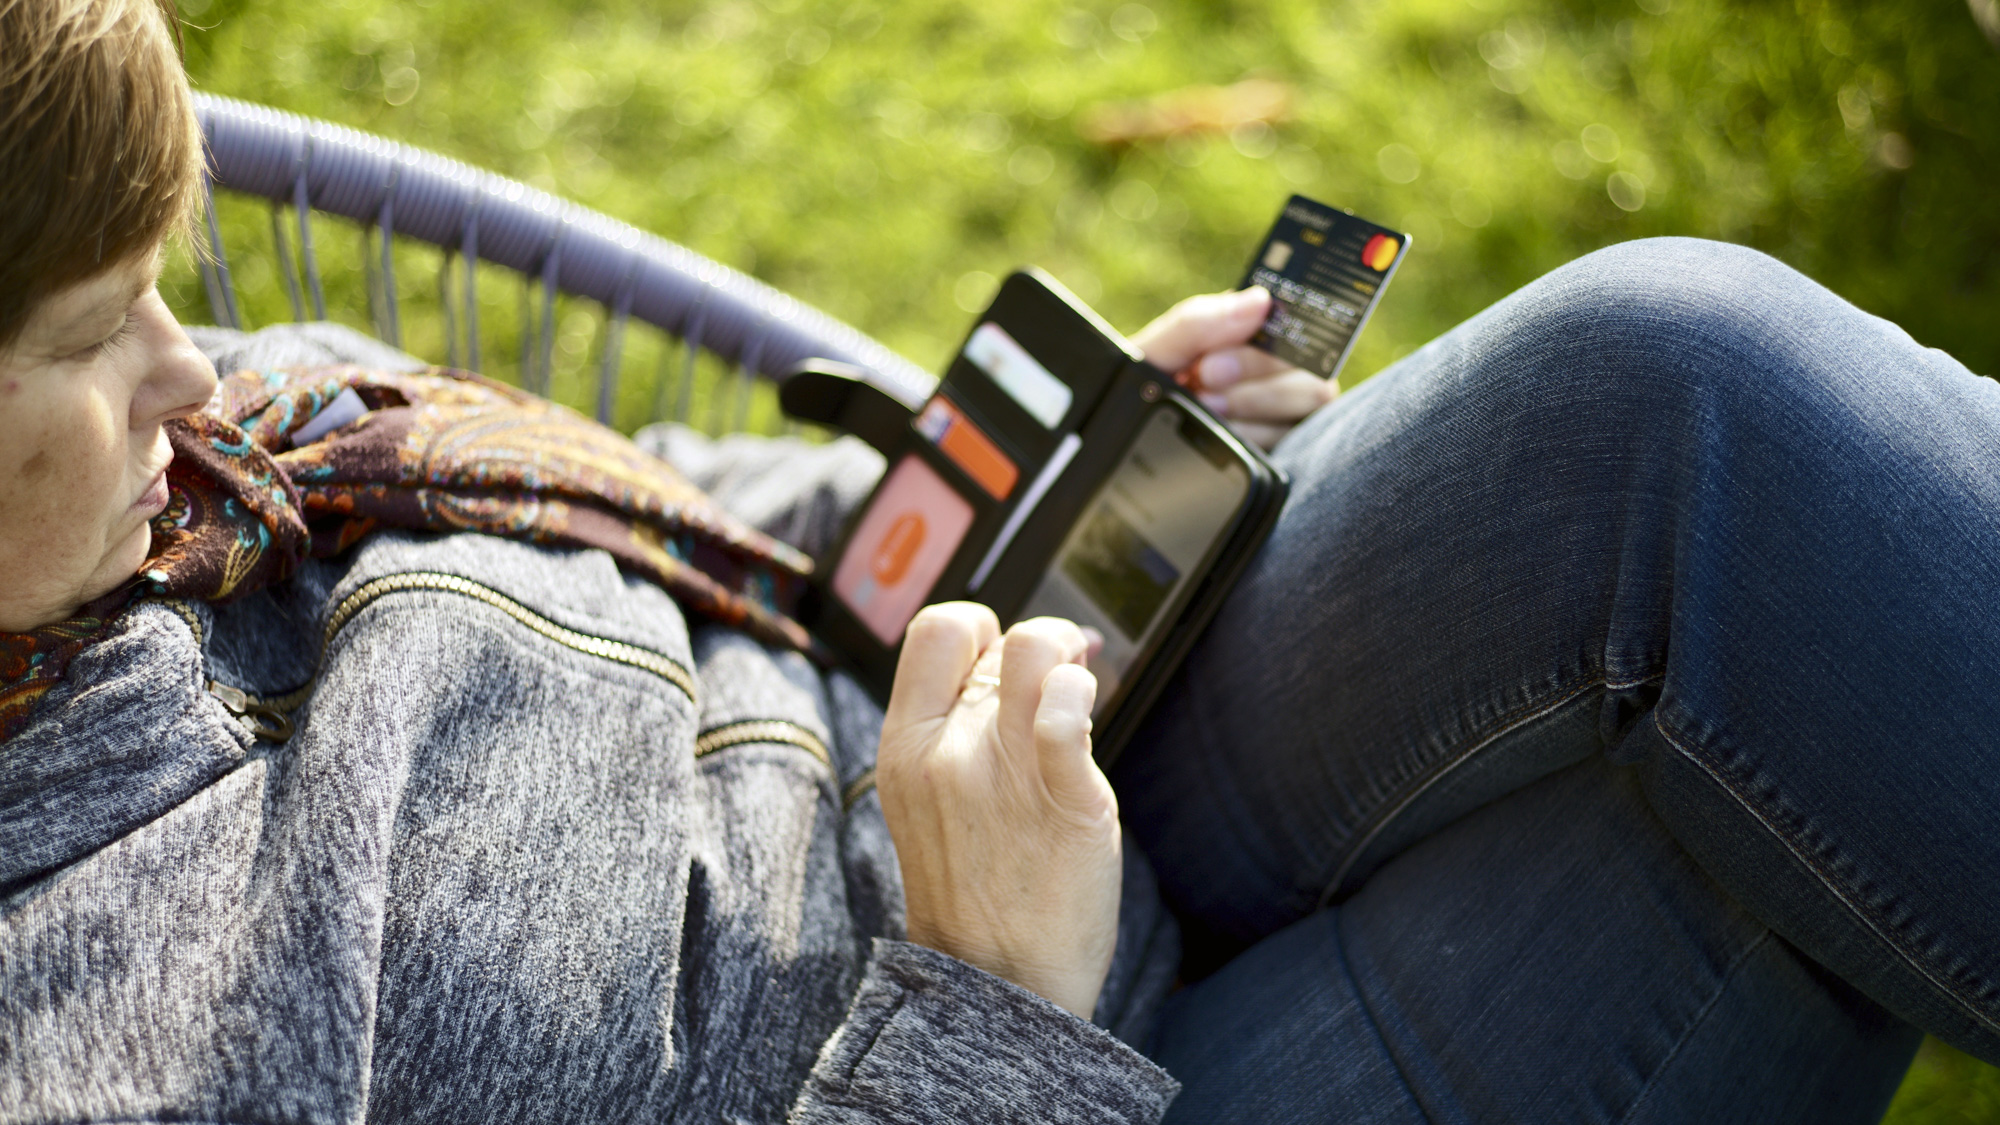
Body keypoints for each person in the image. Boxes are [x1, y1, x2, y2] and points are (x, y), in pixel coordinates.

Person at [2, 1, 1996, 1123]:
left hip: (1005, 713)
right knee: (1772, 844)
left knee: (1675, 386)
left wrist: (1024, 485)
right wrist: (997, 1005)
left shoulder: (174, 473)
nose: (194, 368)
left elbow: (644, 512)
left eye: (171, 281)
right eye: (92, 335)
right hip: (1054, 1048)